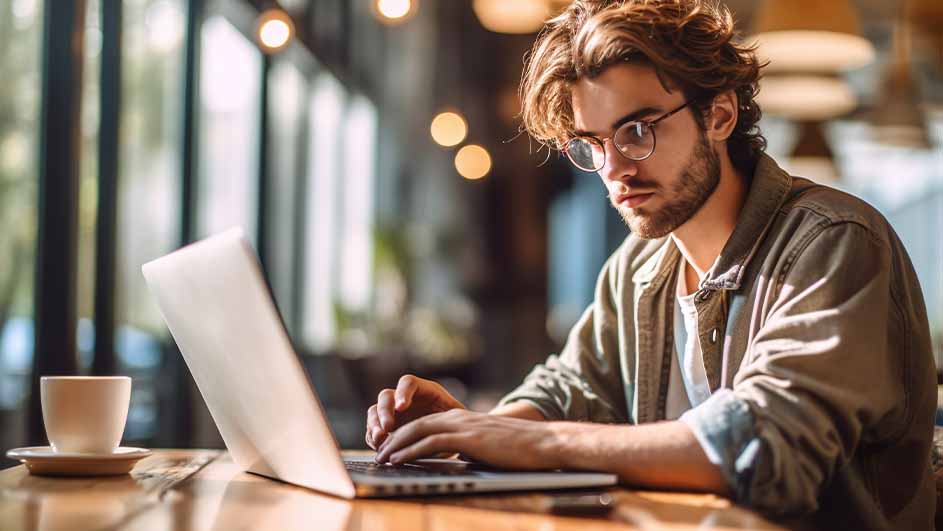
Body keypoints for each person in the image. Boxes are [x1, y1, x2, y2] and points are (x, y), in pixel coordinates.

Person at [365, 1, 937, 528]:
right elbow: (570, 390)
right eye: (593, 142)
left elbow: (761, 445)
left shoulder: (833, 241)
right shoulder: (638, 264)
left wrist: (526, 442)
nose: (614, 168)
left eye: (637, 131)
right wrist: (460, 429)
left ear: (718, 115)